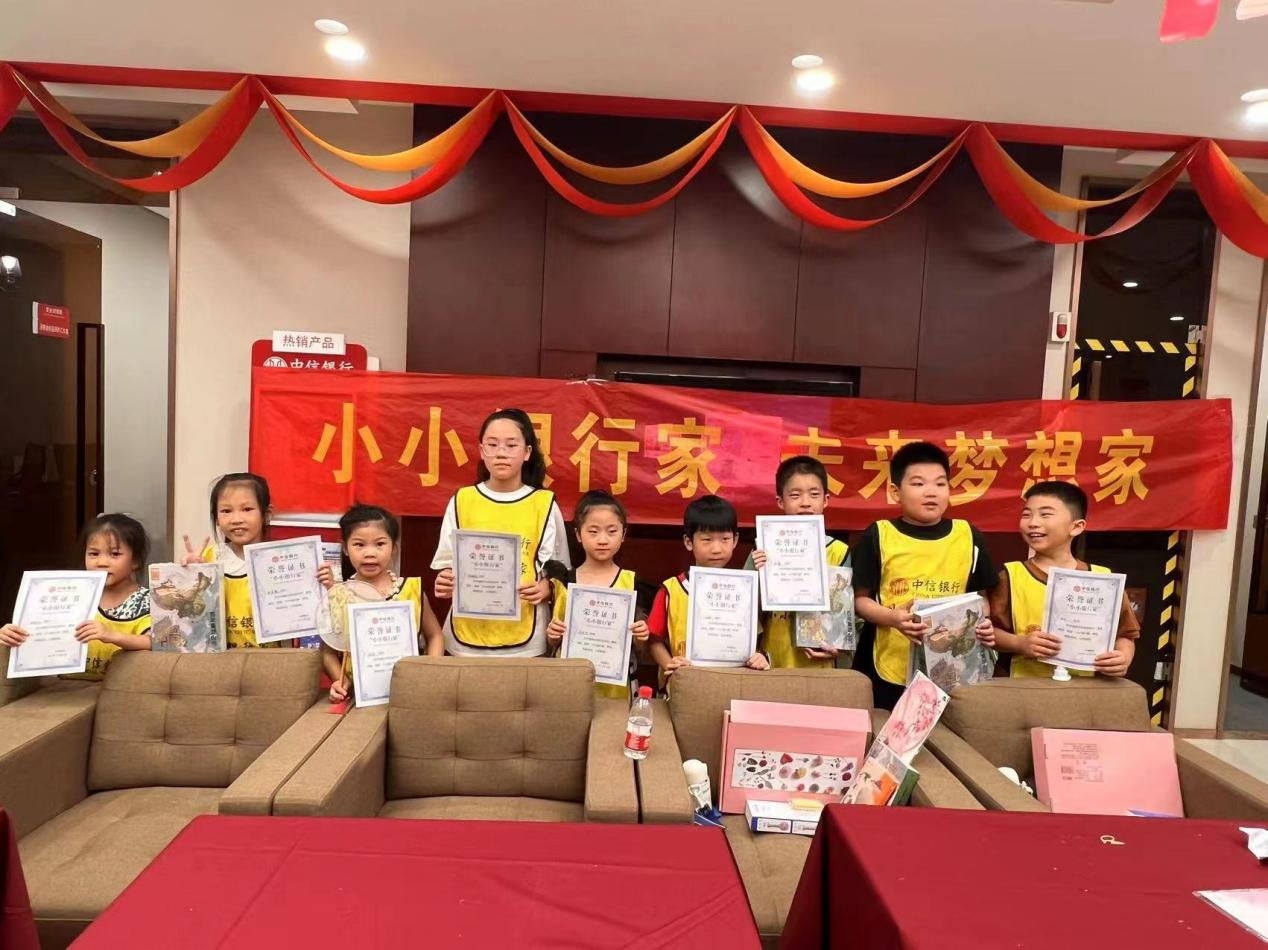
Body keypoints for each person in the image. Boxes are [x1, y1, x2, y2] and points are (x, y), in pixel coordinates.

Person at [852, 442, 997, 709]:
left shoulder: (968, 536)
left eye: (940, 484)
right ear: (895, 491)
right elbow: (860, 600)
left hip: (954, 663)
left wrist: (981, 622)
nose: (931, 492)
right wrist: (892, 618)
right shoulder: (879, 535)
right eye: (918, 484)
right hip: (890, 664)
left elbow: (981, 598)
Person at [431, 409, 569, 657]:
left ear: (527, 452)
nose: (501, 453)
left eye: (511, 445)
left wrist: (547, 587)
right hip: (466, 638)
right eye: (492, 445)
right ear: (481, 450)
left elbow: (561, 570)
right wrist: (445, 580)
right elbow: (447, 564)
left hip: (527, 641)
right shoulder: (462, 500)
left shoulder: (544, 504)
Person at [990, 481, 1139, 678]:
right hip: (1021, 688)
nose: (1033, 522)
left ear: (1076, 527)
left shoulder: (1104, 580)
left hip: (1086, 690)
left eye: (1045, 514)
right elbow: (988, 632)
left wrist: (1123, 657)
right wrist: (1019, 643)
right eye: (1026, 514)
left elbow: (1125, 634)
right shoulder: (1010, 576)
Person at [182, 472, 333, 649]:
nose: (236, 519)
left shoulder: (285, 562)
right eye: (226, 511)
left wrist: (328, 587)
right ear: (216, 517)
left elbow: (311, 615)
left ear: (266, 513)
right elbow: (190, 618)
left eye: (247, 509)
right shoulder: (207, 558)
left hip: (270, 660)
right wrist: (190, 575)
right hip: (221, 661)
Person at [1, 513, 153, 679]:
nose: (101, 562)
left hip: (116, 689)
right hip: (64, 685)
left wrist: (111, 635)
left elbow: (154, 641)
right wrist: (13, 635)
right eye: (93, 554)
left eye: (114, 554)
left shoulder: (146, 601)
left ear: (135, 561)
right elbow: (41, 633)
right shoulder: (70, 594)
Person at [322, 504, 444, 704]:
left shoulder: (411, 590)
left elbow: (435, 635)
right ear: (345, 548)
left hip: (410, 694)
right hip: (358, 698)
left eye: (379, 544)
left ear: (394, 547)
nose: (370, 553)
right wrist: (340, 682)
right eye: (359, 545)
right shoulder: (338, 596)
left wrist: (428, 672)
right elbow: (327, 652)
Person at [647, 494, 770, 686]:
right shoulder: (671, 589)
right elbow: (654, 640)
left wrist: (759, 657)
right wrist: (671, 665)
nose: (716, 549)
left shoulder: (744, 590)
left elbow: (755, 640)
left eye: (725, 539)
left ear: (735, 540)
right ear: (689, 542)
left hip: (734, 684)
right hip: (685, 685)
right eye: (706, 540)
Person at [545, 490, 650, 700]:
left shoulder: (632, 583)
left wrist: (641, 637)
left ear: (623, 534)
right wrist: (552, 635)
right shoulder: (563, 581)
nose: (602, 540)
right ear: (578, 534)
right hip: (570, 683)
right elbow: (553, 642)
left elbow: (639, 648)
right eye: (593, 531)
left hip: (617, 688)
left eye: (612, 531)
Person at [748, 455, 850, 670]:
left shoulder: (839, 551)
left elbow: (848, 614)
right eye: (795, 495)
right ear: (780, 501)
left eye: (814, 494)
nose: (805, 502)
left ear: (826, 500)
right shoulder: (762, 549)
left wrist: (838, 648)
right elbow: (745, 611)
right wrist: (756, 574)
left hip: (820, 662)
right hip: (772, 659)